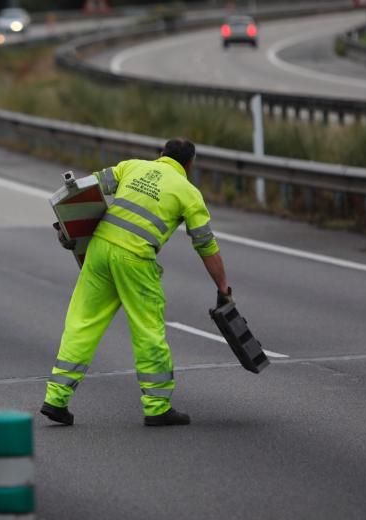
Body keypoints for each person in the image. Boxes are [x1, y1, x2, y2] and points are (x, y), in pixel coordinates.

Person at [41, 138, 231, 427]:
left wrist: (70, 227)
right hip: (135, 259)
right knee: (147, 330)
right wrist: (223, 287)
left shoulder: (132, 166)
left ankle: (56, 399)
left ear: (161, 155)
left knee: (82, 323)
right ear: (189, 164)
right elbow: (206, 245)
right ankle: (157, 407)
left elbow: (81, 189)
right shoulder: (189, 192)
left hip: (100, 249)